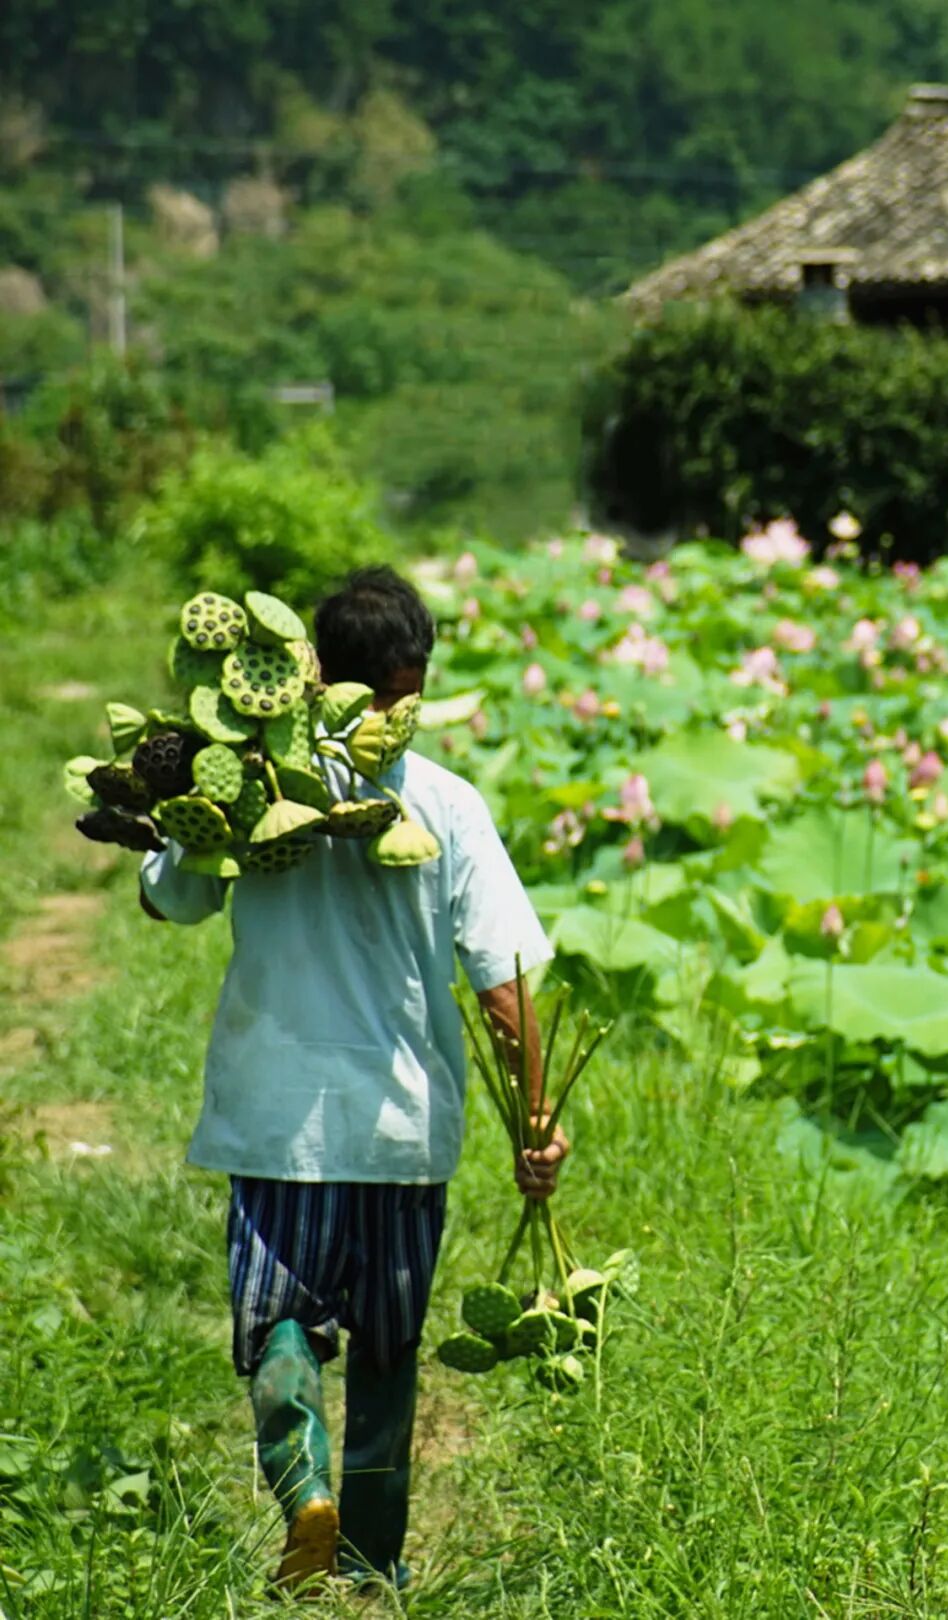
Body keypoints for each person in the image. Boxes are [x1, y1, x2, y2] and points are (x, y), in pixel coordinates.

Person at [139, 565, 568, 1597]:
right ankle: (376, 1560)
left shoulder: (247, 790)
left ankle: (304, 1497)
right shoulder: (451, 804)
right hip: (403, 1130)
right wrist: (535, 1125)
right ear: (410, 675)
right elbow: (505, 982)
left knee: (278, 1324)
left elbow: (172, 903)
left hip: (276, 1120)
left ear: (309, 669)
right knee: (387, 1345)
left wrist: (192, 788)